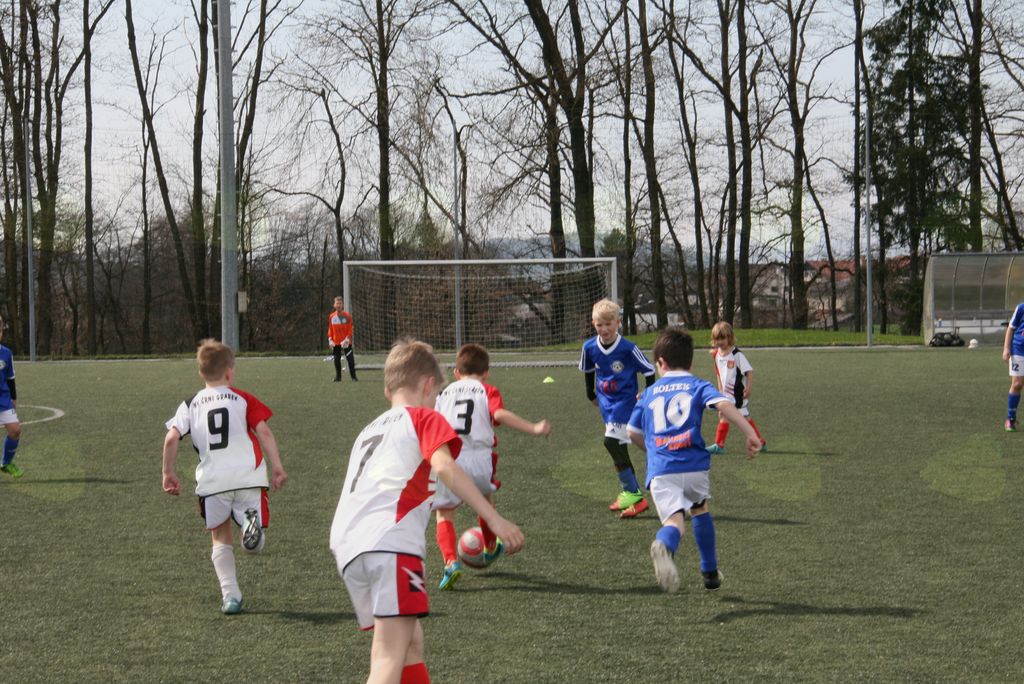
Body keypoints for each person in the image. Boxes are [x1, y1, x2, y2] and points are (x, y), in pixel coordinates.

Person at [330, 339, 524, 684]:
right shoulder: (424, 417)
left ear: (388, 390)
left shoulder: (367, 430)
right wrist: (493, 518)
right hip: (389, 542)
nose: (436, 402)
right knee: (388, 655)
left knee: (409, 644)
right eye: (436, 395)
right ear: (428, 385)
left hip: (347, 545)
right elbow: (446, 467)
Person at [628, 327, 761, 593]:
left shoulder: (649, 393)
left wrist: (653, 452)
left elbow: (632, 432)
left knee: (674, 522)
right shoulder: (698, 385)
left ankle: (665, 544)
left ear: (661, 363)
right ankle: (710, 572)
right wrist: (749, 433)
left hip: (662, 469)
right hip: (694, 466)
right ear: (690, 363)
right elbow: (724, 405)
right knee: (699, 509)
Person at [162, 339, 288, 615]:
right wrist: (277, 465)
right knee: (253, 538)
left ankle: (231, 596)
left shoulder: (191, 403)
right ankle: (251, 528)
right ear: (230, 372)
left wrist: (168, 472)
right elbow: (264, 432)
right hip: (249, 476)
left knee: (220, 536)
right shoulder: (243, 398)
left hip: (213, 481)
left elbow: (171, 439)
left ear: (201, 373)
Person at [432, 343, 551, 590]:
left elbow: (433, 424)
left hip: (450, 458)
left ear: (456, 372)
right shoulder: (487, 390)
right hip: (481, 459)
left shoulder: (443, 394)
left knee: (444, 513)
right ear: (486, 373)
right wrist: (533, 428)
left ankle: (451, 562)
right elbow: (498, 415)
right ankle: (488, 546)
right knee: (485, 503)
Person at [579, 298, 656, 518]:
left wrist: (647, 395)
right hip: (606, 403)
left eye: (608, 324)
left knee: (611, 442)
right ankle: (632, 493)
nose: (604, 329)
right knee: (617, 445)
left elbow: (649, 370)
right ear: (593, 324)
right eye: (599, 325)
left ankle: (633, 492)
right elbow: (588, 370)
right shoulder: (589, 347)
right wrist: (591, 394)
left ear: (618, 323)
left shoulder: (628, 348)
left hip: (625, 402)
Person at [707, 321, 767, 454]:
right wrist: (720, 393)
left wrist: (749, 388)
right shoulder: (716, 354)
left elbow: (749, 372)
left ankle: (721, 445)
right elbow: (719, 374)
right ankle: (720, 445)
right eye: (717, 339)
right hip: (726, 395)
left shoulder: (737, 355)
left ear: (729, 337)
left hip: (738, 394)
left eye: (723, 338)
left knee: (742, 418)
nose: (720, 342)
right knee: (727, 415)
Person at [0, 316, 23, 479]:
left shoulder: (6, 353)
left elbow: (10, 378)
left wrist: (13, 399)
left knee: (15, 430)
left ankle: (6, 463)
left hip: (3, 398)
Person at [1003, 302, 1024, 431]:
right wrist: (1006, 348)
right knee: (1017, 384)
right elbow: (1010, 328)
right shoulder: (1021, 308)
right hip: (1018, 349)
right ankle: (1010, 419)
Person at [328, 296, 358, 382]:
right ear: (334, 305)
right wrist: (330, 339)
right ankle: (338, 377)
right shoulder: (331, 317)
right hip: (336, 342)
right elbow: (330, 329)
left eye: (340, 303)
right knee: (336, 360)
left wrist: (347, 339)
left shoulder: (347, 316)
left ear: (343, 305)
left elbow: (350, 329)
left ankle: (353, 377)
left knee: (350, 360)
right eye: (337, 303)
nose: (338, 305)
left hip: (346, 342)